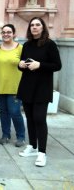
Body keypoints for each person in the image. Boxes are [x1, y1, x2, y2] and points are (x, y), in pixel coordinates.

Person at [17, 17, 61, 167]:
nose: (34, 27)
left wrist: (39, 65)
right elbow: (22, 64)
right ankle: (32, 146)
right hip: (27, 86)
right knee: (29, 118)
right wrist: (20, 64)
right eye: (32, 25)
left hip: (42, 88)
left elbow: (57, 65)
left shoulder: (50, 44)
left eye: (37, 25)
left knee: (39, 119)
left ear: (43, 28)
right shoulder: (27, 45)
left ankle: (42, 153)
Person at [0, 24, 26, 147]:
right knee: (3, 111)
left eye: (9, 32)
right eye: (4, 32)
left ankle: (21, 136)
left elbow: (26, 65)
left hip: (15, 86)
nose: (6, 34)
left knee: (15, 111)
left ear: (14, 34)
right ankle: (5, 135)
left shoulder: (20, 48)